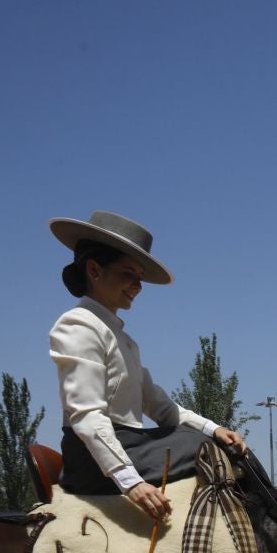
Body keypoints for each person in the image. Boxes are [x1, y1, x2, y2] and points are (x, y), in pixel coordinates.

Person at [48, 211, 248, 522]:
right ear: (94, 269)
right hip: (93, 458)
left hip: (132, 444)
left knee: (221, 445)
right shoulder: (77, 325)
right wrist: (131, 482)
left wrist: (215, 429)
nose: (138, 285)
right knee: (203, 447)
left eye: (141, 277)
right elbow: (86, 414)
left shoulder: (123, 339)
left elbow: (161, 407)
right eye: (129, 272)